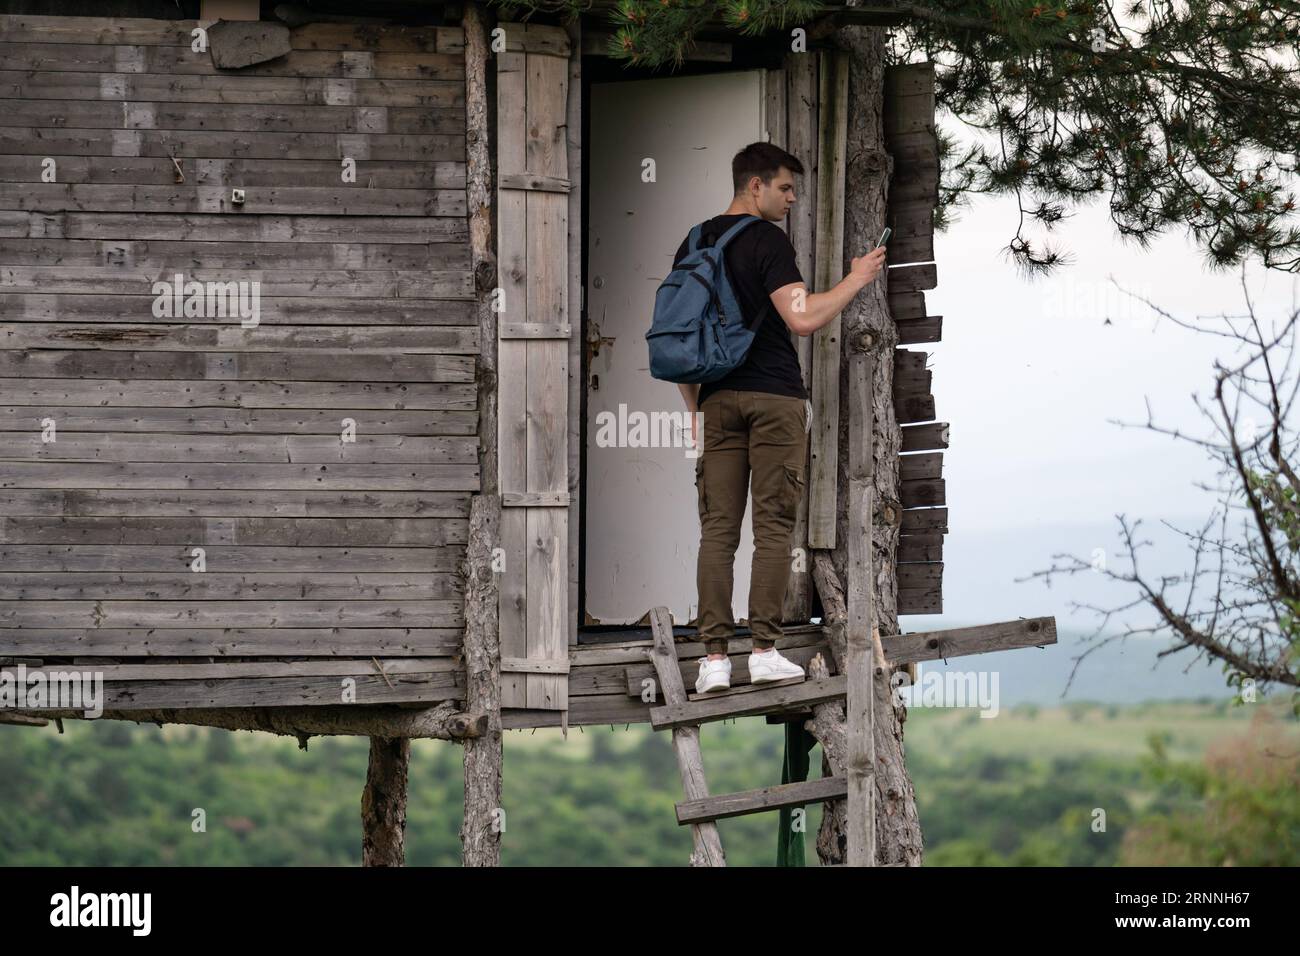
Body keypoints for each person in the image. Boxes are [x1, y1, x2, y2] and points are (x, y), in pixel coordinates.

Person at [673, 141, 887, 693]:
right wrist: (858, 278)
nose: (792, 198)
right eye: (786, 188)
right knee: (772, 527)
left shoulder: (695, 240)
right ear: (755, 186)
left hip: (717, 401)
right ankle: (764, 652)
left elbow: (679, 337)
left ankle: (713, 662)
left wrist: (696, 407)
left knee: (717, 531)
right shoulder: (766, 239)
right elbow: (802, 318)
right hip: (773, 399)